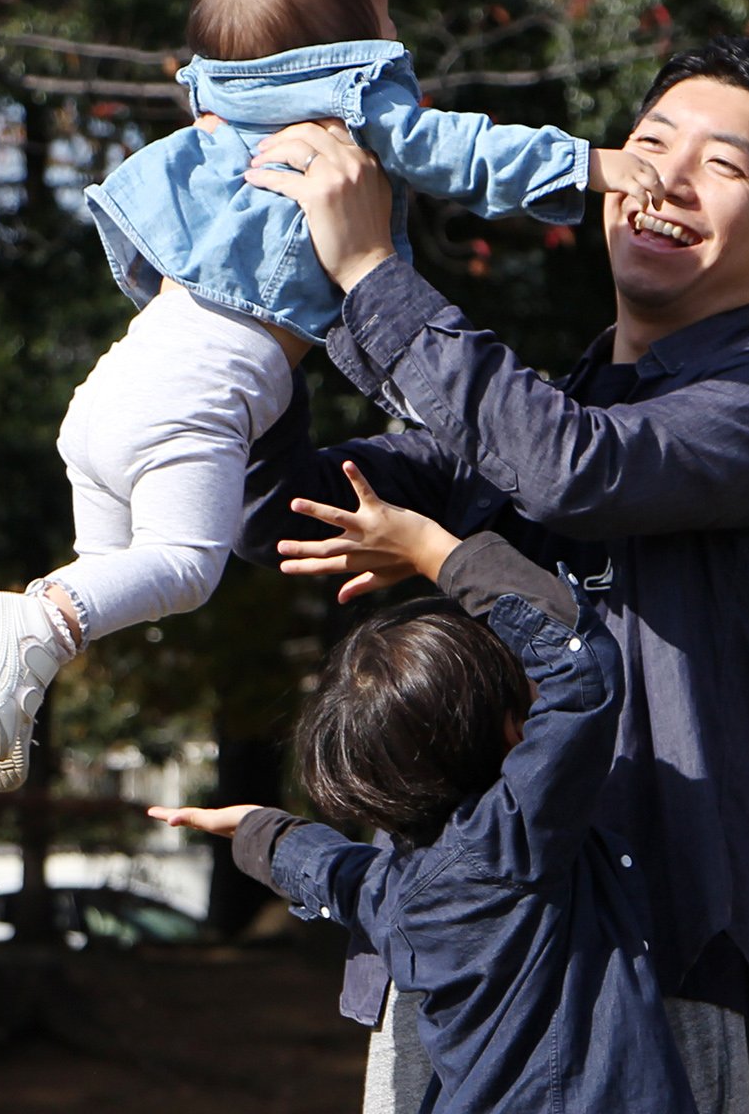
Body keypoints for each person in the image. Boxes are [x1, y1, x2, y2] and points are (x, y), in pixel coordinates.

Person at [236, 36, 749, 1114]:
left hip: (648, 962)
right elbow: (272, 505)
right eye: (651, 143)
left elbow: (577, 471)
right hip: (453, 951)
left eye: (724, 164)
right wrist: (252, 300)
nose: (664, 177)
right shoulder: (529, 409)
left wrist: (371, 272)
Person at [0, 0, 662, 792]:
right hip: (197, 402)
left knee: (110, 572)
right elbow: (466, 152)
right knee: (179, 569)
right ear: (352, 43)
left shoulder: (218, 106)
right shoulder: (355, 105)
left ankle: (28, 650)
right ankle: (40, 623)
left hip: (113, 387)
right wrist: (589, 164)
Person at [150, 462, 694, 1113]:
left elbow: (340, 878)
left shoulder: (404, 888)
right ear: (508, 732)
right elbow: (582, 670)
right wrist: (434, 551)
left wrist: (259, 833)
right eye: (525, 689)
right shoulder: (511, 842)